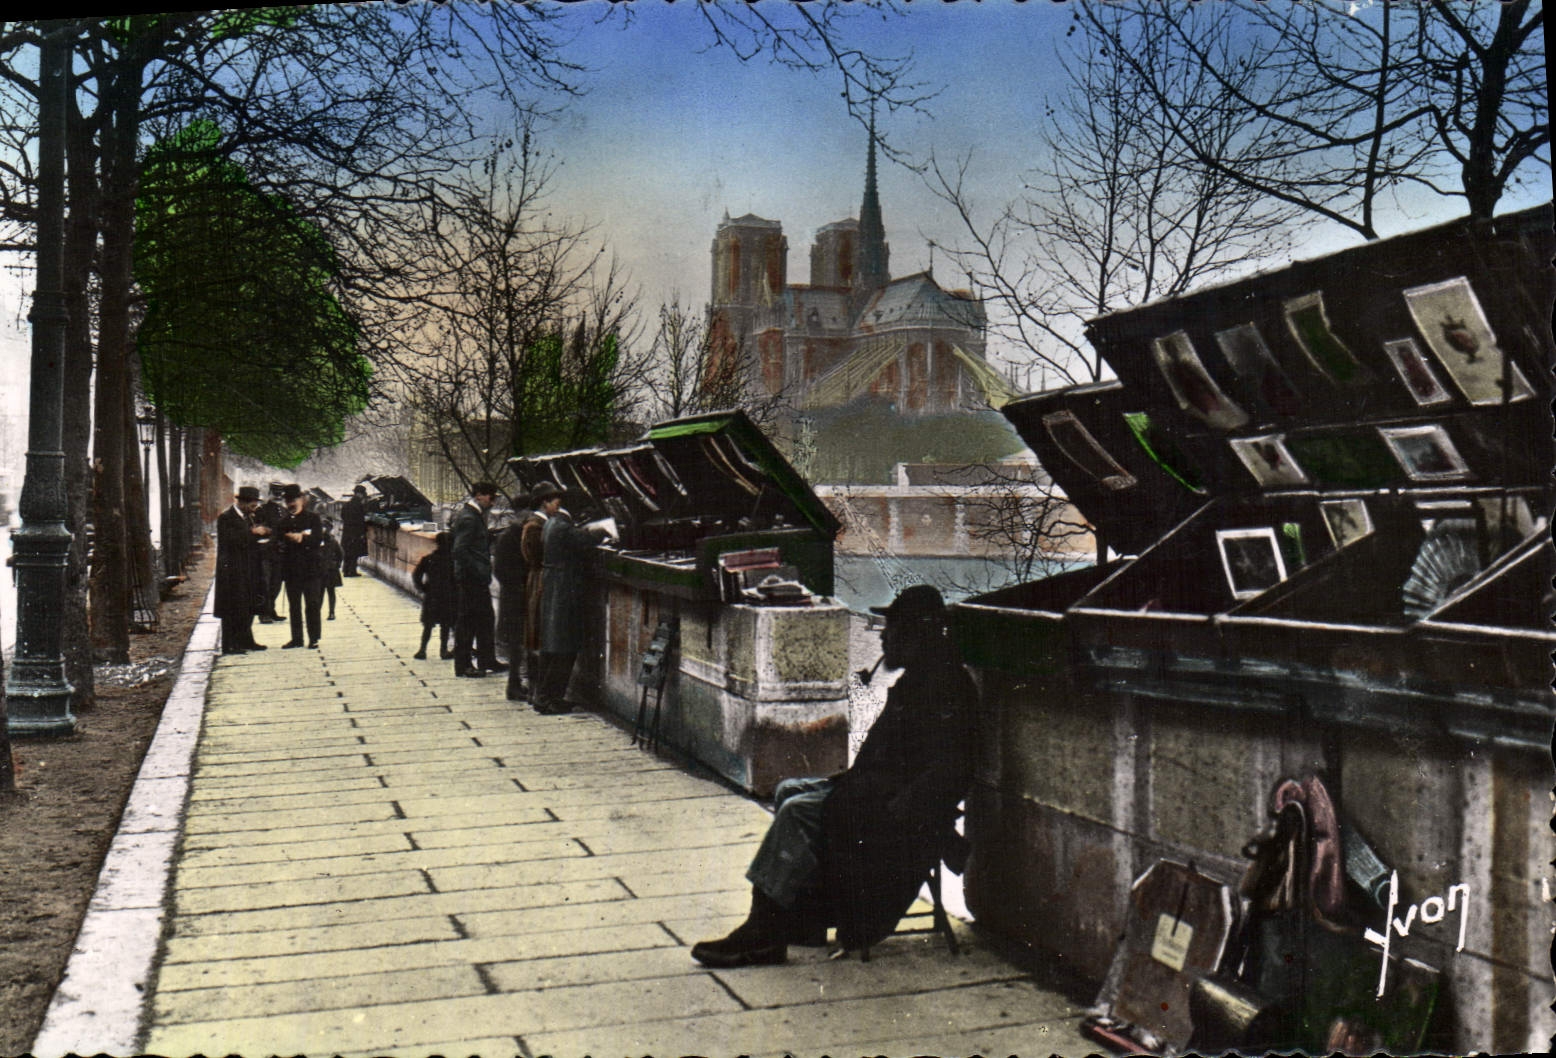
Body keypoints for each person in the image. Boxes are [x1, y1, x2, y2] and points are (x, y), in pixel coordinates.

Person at [690, 584, 976, 968]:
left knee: (796, 812)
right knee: (789, 790)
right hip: (875, 792)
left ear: (915, 635)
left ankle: (763, 933)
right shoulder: (921, 680)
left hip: (891, 809)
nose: (884, 639)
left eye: (890, 630)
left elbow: (947, 770)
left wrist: (887, 802)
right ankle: (797, 920)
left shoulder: (943, 688)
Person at [534, 490, 611, 714]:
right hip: (564, 591)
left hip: (554, 589)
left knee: (553, 647)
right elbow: (584, 539)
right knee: (563, 647)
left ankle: (546, 697)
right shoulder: (562, 526)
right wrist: (605, 529)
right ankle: (550, 699)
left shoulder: (552, 523)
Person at [450, 481, 506, 678]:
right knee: (469, 622)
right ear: (480, 495)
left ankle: (486, 659)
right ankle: (464, 665)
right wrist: (479, 570)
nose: (493, 502)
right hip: (471, 579)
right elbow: (459, 550)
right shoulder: (469, 518)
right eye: (491, 497)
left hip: (474, 578)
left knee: (485, 619)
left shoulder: (473, 516)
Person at [215, 485, 271, 655]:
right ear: (243, 503)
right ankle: (230, 644)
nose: (254, 509)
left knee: (247, 605)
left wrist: (262, 533)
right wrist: (253, 533)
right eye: (252, 505)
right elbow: (230, 540)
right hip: (233, 570)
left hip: (248, 568)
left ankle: (246, 640)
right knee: (233, 606)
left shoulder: (248, 518)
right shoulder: (226, 517)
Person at [520, 482, 562, 703]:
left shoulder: (538, 524)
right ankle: (537, 692)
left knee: (537, 637)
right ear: (545, 502)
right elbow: (537, 557)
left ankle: (535, 692)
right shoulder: (536, 526)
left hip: (538, 583)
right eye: (555, 502)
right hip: (540, 584)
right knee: (539, 637)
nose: (558, 506)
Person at [492, 495, 532, 701]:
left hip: (513, 595)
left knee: (518, 642)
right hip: (515, 596)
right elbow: (500, 570)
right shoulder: (511, 536)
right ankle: (513, 686)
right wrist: (519, 585)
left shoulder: (510, 534)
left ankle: (515, 684)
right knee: (516, 643)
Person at [276, 483, 325, 649]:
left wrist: (301, 538)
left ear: (301, 500)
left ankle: (313, 638)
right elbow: (277, 542)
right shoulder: (282, 522)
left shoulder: (313, 518)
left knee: (312, 604)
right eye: (288, 500)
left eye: (294, 500)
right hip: (291, 571)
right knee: (294, 606)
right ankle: (297, 638)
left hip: (311, 570)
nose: (291, 504)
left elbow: (318, 539)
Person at [412, 531, 457, 660]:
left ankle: (422, 649)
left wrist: (423, 588)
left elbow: (416, 575)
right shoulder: (454, 560)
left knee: (428, 625)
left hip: (432, 595)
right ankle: (443, 650)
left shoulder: (428, 559)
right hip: (449, 596)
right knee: (446, 625)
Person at [340, 483, 368, 576]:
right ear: (359, 494)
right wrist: (362, 532)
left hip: (347, 531)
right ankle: (352, 571)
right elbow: (360, 520)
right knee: (354, 552)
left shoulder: (347, 504)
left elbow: (342, 516)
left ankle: (345, 570)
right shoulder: (358, 505)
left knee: (347, 551)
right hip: (355, 532)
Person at [319, 518, 344, 621]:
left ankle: (332, 612)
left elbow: (340, 554)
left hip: (330, 570)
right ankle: (317, 612)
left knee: (330, 592)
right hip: (319, 570)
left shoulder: (332, 541)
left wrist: (336, 564)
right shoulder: (315, 541)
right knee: (319, 593)